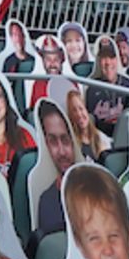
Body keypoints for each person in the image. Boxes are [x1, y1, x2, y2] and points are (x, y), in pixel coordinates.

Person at [31, 99, 78, 240]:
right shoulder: (47, 202)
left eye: (65, 140)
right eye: (53, 142)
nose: (62, 152)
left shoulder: (97, 189)